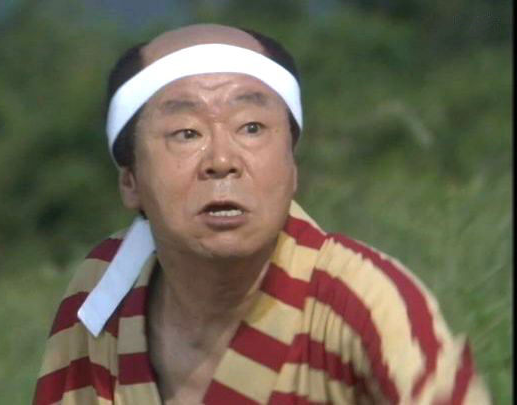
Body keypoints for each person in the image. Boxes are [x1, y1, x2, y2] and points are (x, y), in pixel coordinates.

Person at [32, 24, 490, 404]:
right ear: (131, 180)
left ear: (292, 166)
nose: (222, 160)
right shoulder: (104, 294)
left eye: (251, 128)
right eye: (186, 133)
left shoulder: (361, 304)